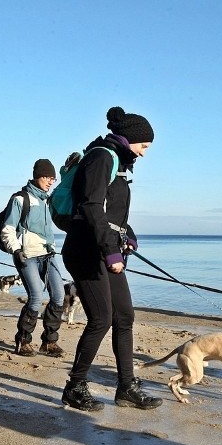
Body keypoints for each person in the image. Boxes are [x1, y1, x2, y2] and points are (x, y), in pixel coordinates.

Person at [60, 106, 162, 412]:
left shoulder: (117, 163)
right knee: (101, 319)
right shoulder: (102, 157)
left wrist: (126, 235)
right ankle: (74, 387)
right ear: (129, 138)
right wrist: (111, 251)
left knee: (125, 317)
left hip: (104, 250)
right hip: (85, 252)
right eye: (144, 147)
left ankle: (126, 388)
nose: (144, 154)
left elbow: (110, 214)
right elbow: (90, 207)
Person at [0, 159, 67, 357]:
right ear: (37, 176)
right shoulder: (20, 199)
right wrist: (15, 250)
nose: (50, 182)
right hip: (27, 256)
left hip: (48, 256)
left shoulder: (48, 200)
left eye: (53, 179)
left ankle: (49, 342)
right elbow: (8, 230)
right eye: (47, 177)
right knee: (36, 297)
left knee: (59, 296)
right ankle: (23, 341)